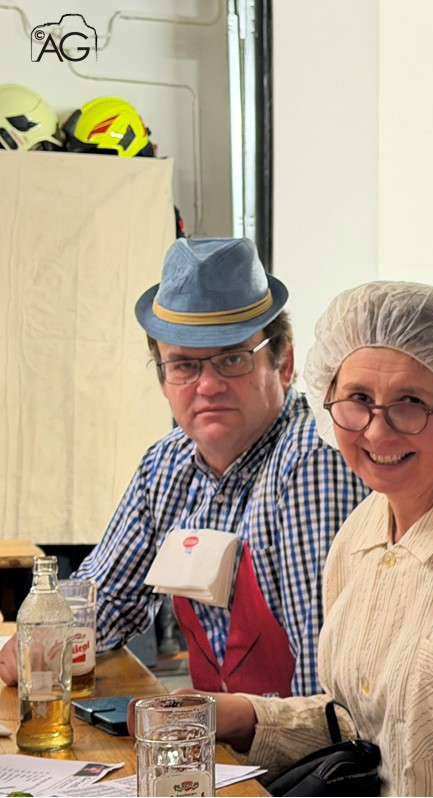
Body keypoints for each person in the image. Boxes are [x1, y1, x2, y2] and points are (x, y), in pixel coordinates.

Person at [206, 281, 433, 796]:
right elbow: (363, 727)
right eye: (358, 399)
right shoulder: (360, 533)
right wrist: (240, 717)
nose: (377, 432)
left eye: (410, 402)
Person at [0, 237, 369, 697]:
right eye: (184, 365)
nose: (208, 385)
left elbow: (327, 687)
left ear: (284, 363)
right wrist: (40, 642)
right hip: (219, 733)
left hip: (298, 740)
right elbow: (105, 603)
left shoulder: (311, 459)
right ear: (163, 379)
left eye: (232, 358)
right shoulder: (166, 465)